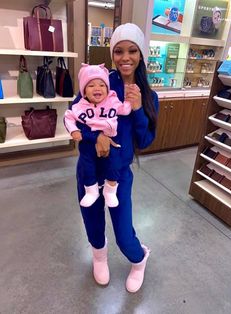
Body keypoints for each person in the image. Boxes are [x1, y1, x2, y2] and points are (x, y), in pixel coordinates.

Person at [70, 23, 159, 293]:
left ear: (141, 54)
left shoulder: (148, 95)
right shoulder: (98, 81)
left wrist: (137, 110)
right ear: (112, 54)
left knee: (123, 233)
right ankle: (99, 257)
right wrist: (93, 137)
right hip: (88, 170)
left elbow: (144, 141)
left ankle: (139, 259)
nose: (125, 57)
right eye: (119, 51)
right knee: (92, 222)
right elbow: (75, 115)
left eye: (132, 50)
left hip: (119, 175)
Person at [64, 63, 131, 208]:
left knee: (114, 164)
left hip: (111, 140)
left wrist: (130, 101)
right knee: (87, 166)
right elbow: (68, 117)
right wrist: (73, 130)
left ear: (107, 89)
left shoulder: (112, 101)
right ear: (84, 91)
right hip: (88, 143)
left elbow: (124, 110)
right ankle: (91, 190)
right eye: (91, 85)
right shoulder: (79, 106)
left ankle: (110, 190)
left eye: (102, 85)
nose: (97, 88)